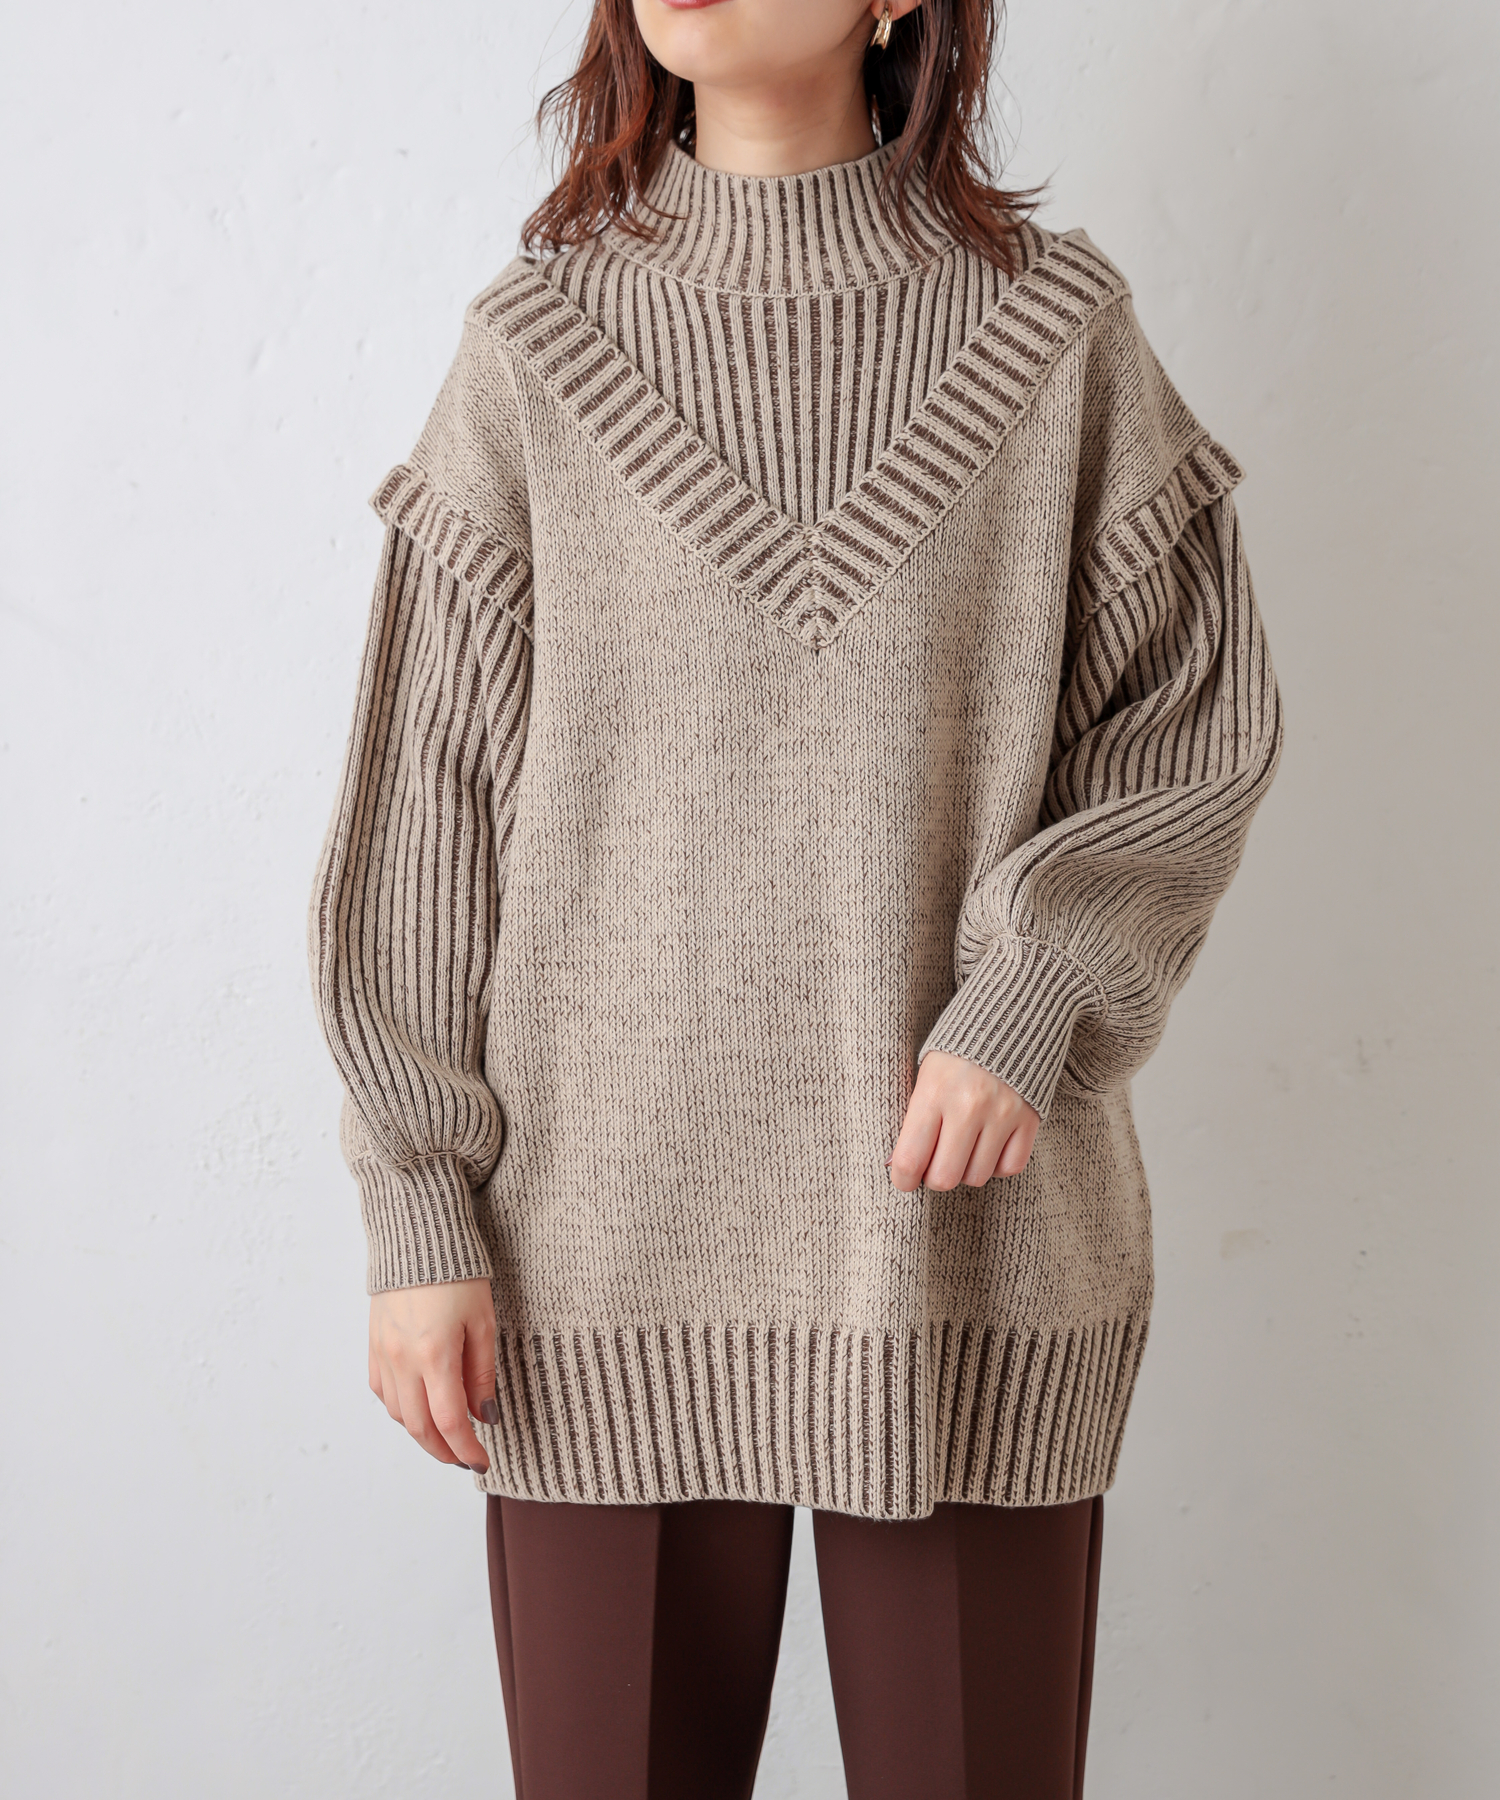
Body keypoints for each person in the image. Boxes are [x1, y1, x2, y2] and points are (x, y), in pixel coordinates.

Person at [308, 0, 1284, 1793]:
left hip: (968, 1261)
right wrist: (419, 1201)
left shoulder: (1055, 338)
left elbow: (1189, 727)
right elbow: (423, 816)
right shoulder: (538, 352)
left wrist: (1034, 991)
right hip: (594, 1261)